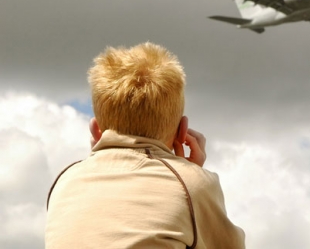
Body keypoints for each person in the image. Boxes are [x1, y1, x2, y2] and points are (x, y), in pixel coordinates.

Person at [45, 42, 245, 249]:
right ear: (182, 131)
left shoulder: (63, 181)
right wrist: (192, 173)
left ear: (96, 130)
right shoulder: (190, 183)